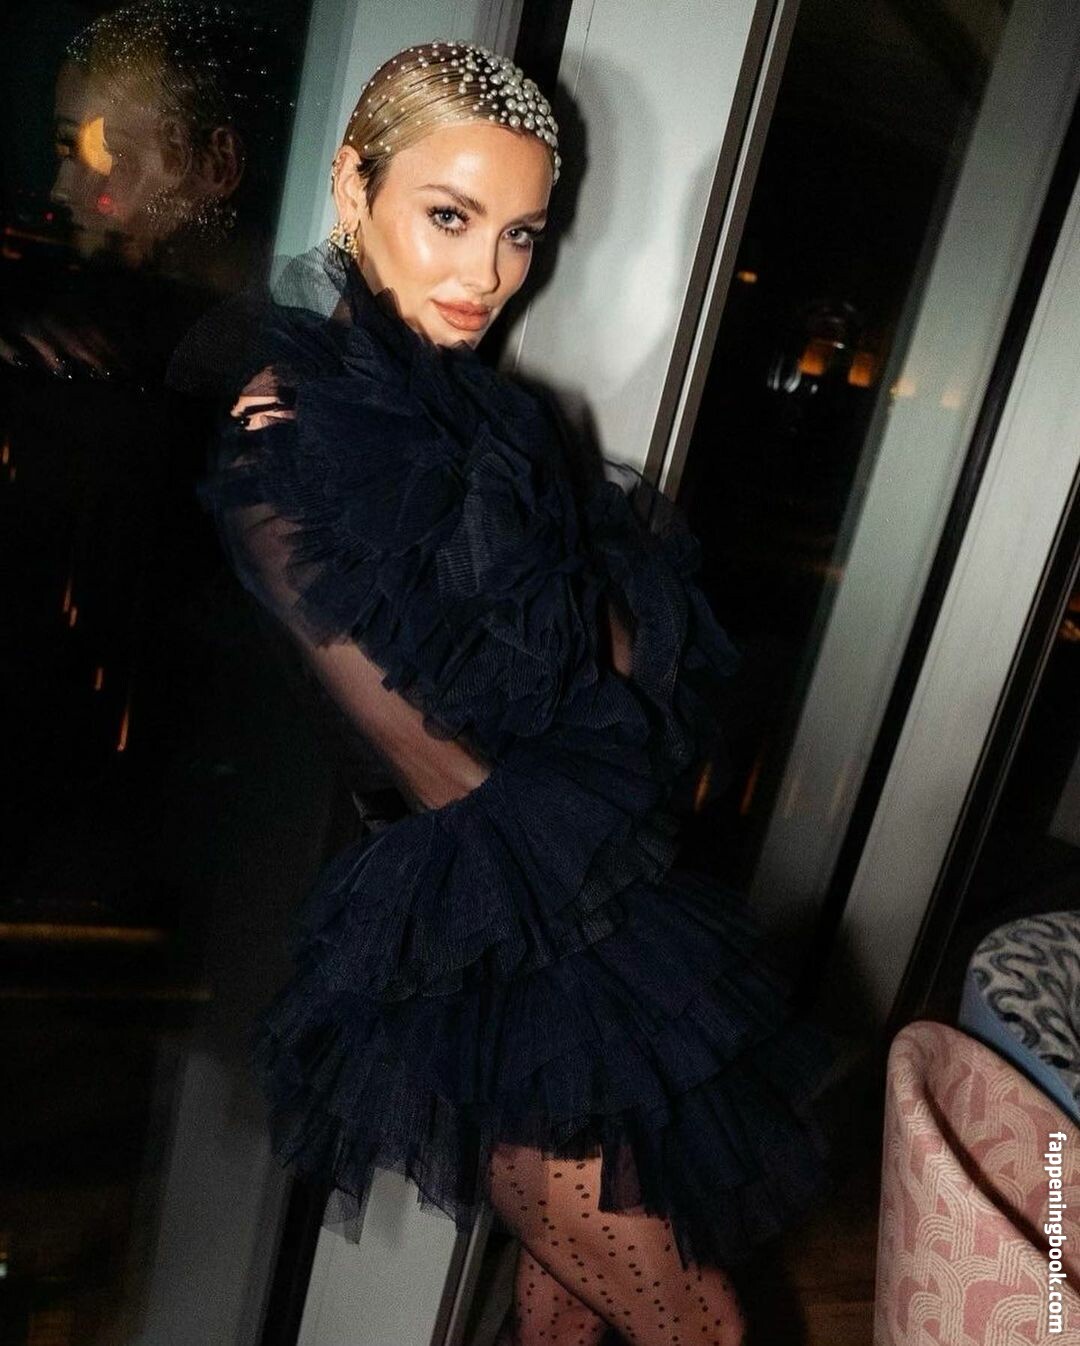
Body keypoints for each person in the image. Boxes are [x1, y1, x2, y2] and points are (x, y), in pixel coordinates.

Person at [194, 40, 837, 1346]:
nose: (487, 275)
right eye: (450, 216)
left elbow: (606, 652)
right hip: (492, 949)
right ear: (352, 185)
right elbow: (435, 760)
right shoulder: (287, 434)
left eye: (520, 234)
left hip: (577, 912)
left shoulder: (487, 415)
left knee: (565, 1305)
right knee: (702, 1324)